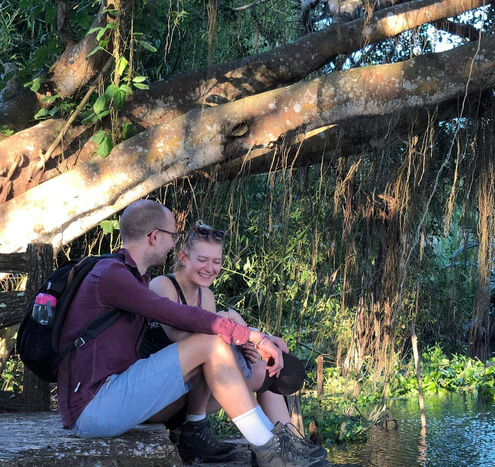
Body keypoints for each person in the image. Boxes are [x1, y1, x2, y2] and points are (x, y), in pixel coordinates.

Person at [57, 200, 330, 467]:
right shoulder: (113, 276)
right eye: (172, 235)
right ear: (154, 237)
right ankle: (267, 449)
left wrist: (255, 336)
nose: (174, 243)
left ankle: (278, 445)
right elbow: (179, 317)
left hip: (115, 392)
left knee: (226, 352)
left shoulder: (128, 275)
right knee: (209, 345)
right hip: (94, 405)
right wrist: (252, 335)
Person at [142, 220, 327, 462]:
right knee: (209, 343)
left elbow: (214, 329)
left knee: (270, 371)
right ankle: (196, 430)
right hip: (163, 400)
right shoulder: (162, 285)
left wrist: (255, 341)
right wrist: (232, 320)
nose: (210, 268)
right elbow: (185, 337)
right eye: (202, 260)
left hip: (191, 397)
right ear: (183, 257)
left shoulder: (205, 295)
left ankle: (289, 446)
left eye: (216, 262)